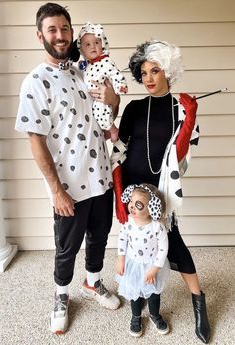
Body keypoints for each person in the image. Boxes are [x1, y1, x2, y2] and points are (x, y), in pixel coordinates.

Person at [15, 2, 120, 335]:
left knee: (100, 237)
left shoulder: (85, 71)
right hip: (70, 186)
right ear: (40, 35)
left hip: (101, 177)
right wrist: (56, 190)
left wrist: (113, 99)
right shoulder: (35, 82)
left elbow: (107, 115)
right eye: (52, 29)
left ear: (72, 32)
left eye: (64, 28)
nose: (60, 36)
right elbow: (36, 140)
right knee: (67, 247)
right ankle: (61, 295)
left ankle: (92, 282)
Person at [111, 40, 211, 344]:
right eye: (144, 73)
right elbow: (119, 150)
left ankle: (199, 303)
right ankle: (139, 309)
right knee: (135, 246)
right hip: (132, 190)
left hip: (162, 193)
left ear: (167, 70)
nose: (150, 78)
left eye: (155, 70)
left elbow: (181, 154)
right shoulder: (134, 108)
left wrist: (190, 116)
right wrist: (119, 192)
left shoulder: (181, 107)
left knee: (174, 244)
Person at [116, 183, 170, 337]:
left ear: (151, 208)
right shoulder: (128, 222)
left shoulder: (157, 227)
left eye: (138, 205)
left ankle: (154, 315)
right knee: (135, 291)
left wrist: (155, 268)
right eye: (131, 202)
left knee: (154, 292)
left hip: (152, 265)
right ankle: (136, 316)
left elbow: (163, 248)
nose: (131, 207)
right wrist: (121, 259)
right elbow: (122, 240)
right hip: (133, 263)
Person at [76, 22, 128, 143]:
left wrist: (120, 86)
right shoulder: (86, 64)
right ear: (82, 49)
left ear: (102, 44)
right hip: (93, 99)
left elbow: (115, 74)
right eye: (87, 44)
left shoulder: (105, 62)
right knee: (96, 115)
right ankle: (107, 131)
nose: (93, 47)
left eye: (96, 43)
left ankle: (113, 130)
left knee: (100, 112)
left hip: (101, 98)